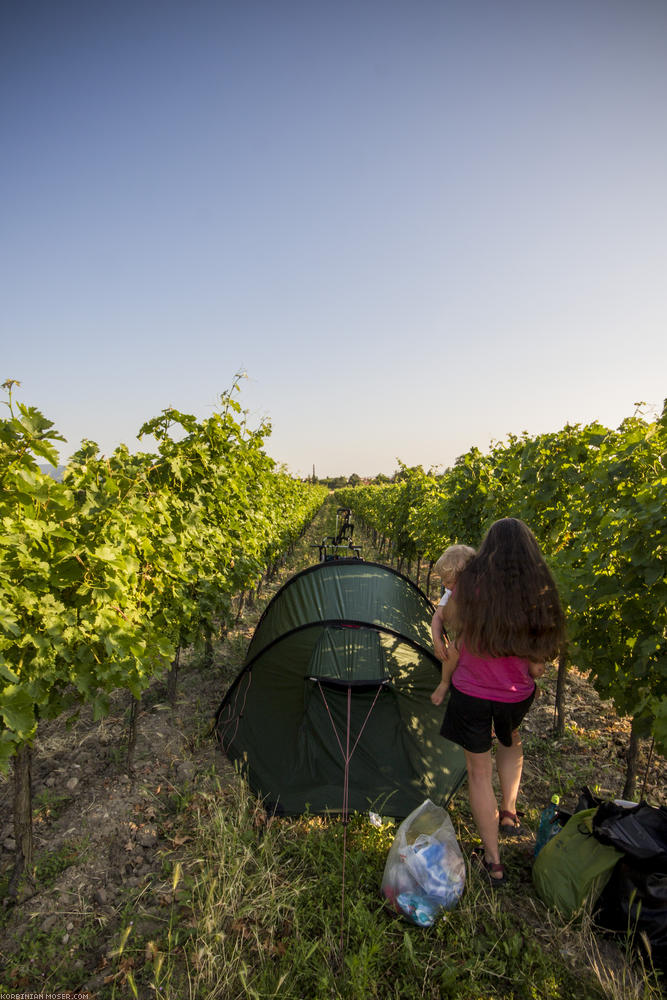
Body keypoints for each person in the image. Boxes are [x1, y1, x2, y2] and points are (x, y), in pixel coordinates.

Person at [437, 518, 565, 886]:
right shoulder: (538, 591)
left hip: (471, 693)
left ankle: (493, 862)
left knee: (479, 773)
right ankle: (509, 811)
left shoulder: (471, 585)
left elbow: (453, 629)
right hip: (515, 696)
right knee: (511, 738)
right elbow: (540, 668)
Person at [429, 544, 475, 703]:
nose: (443, 584)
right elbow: (437, 617)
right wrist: (437, 640)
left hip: (483, 638)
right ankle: (444, 681)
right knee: (453, 649)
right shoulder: (450, 594)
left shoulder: (481, 591)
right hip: (465, 640)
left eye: (447, 581)